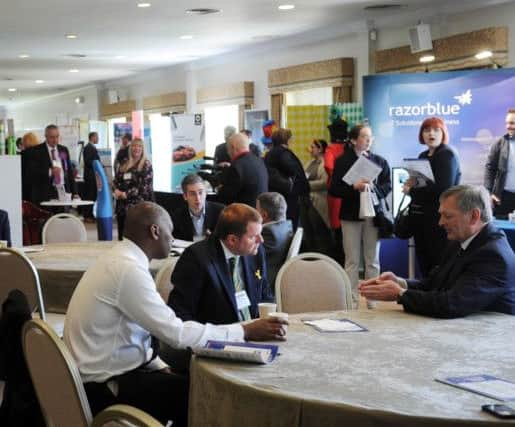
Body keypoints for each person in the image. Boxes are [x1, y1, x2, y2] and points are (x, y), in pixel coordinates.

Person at [64, 202, 287, 426]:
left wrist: (158, 365)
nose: (173, 239)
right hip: (105, 388)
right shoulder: (128, 270)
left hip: (101, 372)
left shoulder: (119, 259)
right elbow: (177, 334)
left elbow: (131, 335)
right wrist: (244, 330)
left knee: (188, 386)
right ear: (154, 231)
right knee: (206, 396)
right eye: (170, 232)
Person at [359, 185, 515, 318]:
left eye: (448, 216)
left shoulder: (493, 256)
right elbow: (435, 284)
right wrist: (399, 282)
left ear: (474, 216)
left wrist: (399, 294)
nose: (440, 222)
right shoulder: (460, 241)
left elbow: (452, 304)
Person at [168, 203, 274, 324]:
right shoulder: (196, 258)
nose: (261, 240)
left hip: (256, 334)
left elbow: (265, 293)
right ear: (232, 240)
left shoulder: (256, 252)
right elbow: (181, 312)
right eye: (253, 236)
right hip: (219, 336)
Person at [329, 125, 391, 308]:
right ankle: (352, 299)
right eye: (364, 137)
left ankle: (374, 299)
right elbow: (334, 189)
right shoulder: (342, 161)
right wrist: (353, 187)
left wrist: (375, 189)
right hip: (350, 214)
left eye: (370, 137)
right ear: (354, 140)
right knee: (352, 260)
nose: (368, 140)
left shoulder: (379, 161)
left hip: (373, 214)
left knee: (372, 259)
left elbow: (388, 185)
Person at [403, 117, 461, 276]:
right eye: (427, 130)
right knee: (425, 264)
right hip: (421, 217)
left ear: (443, 133)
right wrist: (412, 183)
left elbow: (444, 189)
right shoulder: (423, 155)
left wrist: (412, 190)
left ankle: (436, 299)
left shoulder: (446, 154)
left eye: (436, 130)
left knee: (438, 264)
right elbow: (424, 184)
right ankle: (425, 299)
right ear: (422, 134)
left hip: (439, 219)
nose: (431, 134)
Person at [264, 128, 309, 230]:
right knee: (291, 224)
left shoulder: (270, 153)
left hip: (277, 194)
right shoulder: (283, 153)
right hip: (288, 195)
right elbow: (294, 170)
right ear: (287, 140)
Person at [24, 124, 78, 206]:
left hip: (63, 193)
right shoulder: (36, 151)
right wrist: (50, 171)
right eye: (52, 137)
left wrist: (75, 192)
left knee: (62, 217)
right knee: (48, 218)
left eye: (57, 136)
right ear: (46, 136)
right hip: (45, 194)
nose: (55, 140)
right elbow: (32, 172)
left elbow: (69, 172)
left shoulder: (63, 150)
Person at [113, 138, 153, 240]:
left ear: (143, 149)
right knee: (122, 236)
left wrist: (126, 194)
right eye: (134, 146)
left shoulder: (146, 165)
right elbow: (115, 180)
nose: (136, 148)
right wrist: (116, 190)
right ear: (130, 148)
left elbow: (144, 187)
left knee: (136, 237)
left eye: (139, 146)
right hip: (122, 206)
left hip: (138, 207)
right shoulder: (124, 163)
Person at [217, 132, 268, 208]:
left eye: (228, 149)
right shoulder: (259, 161)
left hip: (243, 214)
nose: (228, 152)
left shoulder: (236, 167)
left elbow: (226, 197)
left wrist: (219, 188)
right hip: (259, 211)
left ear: (233, 147)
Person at [256, 192, 293, 291]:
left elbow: (251, 255)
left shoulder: (269, 233)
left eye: (256, 210)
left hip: (265, 280)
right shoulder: (286, 226)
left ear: (264, 215)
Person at [171, 174, 224, 241]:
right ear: (185, 196)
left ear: (205, 193)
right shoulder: (177, 216)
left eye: (200, 192)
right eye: (193, 194)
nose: (198, 198)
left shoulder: (220, 212)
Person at [302, 139, 332, 254]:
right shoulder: (309, 163)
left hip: (319, 203)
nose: (310, 150)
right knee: (309, 231)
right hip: (306, 202)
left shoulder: (325, 163)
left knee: (320, 232)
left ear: (320, 149)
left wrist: (306, 185)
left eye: (313, 147)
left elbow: (325, 183)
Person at [484, 109, 515, 218]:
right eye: (507, 123)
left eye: (512, 123)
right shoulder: (499, 143)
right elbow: (490, 168)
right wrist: (489, 193)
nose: (508, 126)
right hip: (503, 198)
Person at [82, 132, 100, 222]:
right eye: (97, 137)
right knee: (89, 196)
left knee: (93, 195)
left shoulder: (92, 147)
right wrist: (97, 164)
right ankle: (87, 216)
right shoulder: (88, 148)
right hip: (90, 176)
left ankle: (90, 214)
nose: (98, 139)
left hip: (93, 175)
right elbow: (88, 161)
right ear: (92, 137)